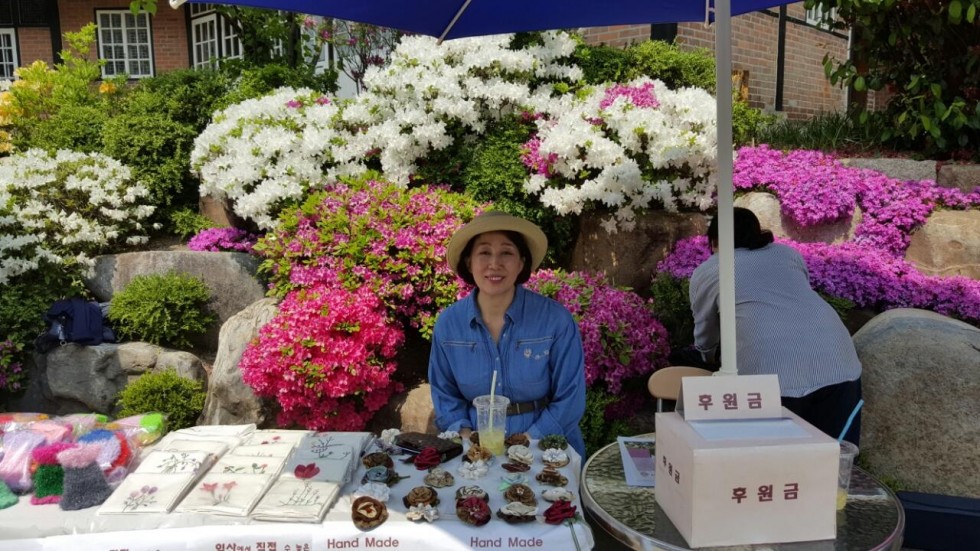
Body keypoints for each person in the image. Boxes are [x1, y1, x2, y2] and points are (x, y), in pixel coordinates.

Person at [689, 207, 863, 445]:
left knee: (773, 461)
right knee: (834, 460)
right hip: (837, 361)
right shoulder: (786, 254)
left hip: (770, 375)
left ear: (714, 239)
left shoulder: (709, 270)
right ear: (757, 231)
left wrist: (708, 356)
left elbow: (705, 333)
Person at [428, 211, 587, 458]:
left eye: (506, 253)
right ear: (469, 262)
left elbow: (570, 398)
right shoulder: (449, 325)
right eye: (484, 252)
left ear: (521, 262)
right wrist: (467, 438)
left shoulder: (555, 320)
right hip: (475, 449)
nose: (495, 263)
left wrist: (527, 442)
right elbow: (445, 395)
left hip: (547, 448)